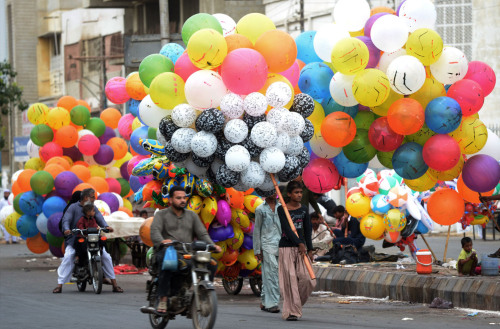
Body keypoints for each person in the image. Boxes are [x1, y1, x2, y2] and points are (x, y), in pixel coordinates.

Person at [150, 186, 221, 313]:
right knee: (168, 264)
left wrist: (212, 245)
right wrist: (162, 241)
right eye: (178, 198)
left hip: (187, 253)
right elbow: (155, 232)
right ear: (170, 200)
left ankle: (204, 295)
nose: (182, 200)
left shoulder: (192, 215)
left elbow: (202, 234)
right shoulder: (161, 214)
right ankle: (163, 299)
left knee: (211, 264)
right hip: (168, 251)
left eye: (184, 198)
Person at [53, 188, 123, 293]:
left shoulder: (93, 208)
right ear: (86, 197)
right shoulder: (73, 207)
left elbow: (100, 219)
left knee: (106, 257)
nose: (94, 199)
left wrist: (106, 227)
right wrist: (67, 229)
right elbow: (66, 220)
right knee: (69, 256)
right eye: (93, 197)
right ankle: (60, 285)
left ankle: (114, 284)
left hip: (93, 238)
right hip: (76, 238)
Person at [277, 180, 316, 321]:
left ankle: (295, 305)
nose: (299, 195)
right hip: (286, 247)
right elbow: (287, 229)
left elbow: (307, 230)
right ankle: (292, 311)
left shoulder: (304, 209)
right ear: (289, 194)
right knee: (290, 281)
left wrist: (310, 249)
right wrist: (299, 242)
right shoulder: (282, 209)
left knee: (308, 280)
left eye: (300, 192)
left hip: (302, 249)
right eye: (296, 192)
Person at [254, 192, 281, 313]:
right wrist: (257, 249)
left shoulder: (281, 207)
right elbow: (257, 230)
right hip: (266, 245)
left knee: (269, 274)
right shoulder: (260, 209)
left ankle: (265, 301)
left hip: (280, 244)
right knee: (272, 274)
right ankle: (273, 304)